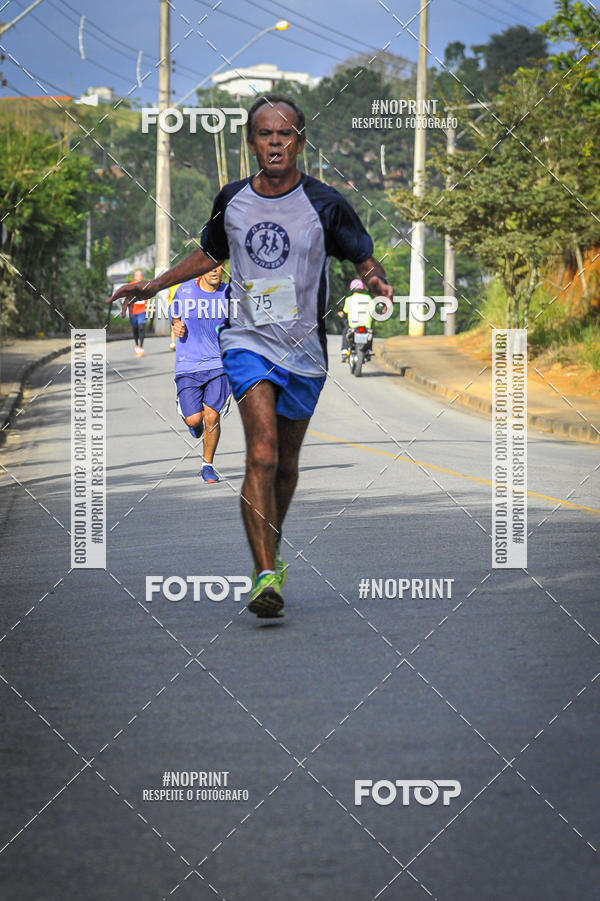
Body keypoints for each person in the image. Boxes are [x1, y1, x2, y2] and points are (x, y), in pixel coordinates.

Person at [107, 93, 393, 619]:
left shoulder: (326, 203)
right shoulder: (233, 198)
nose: (276, 141)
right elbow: (210, 252)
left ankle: (272, 548)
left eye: (285, 134)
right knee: (261, 454)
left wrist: (376, 281)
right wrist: (154, 283)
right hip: (246, 338)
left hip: (306, 349)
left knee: (285, 466)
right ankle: (264, 575)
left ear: (300, 142)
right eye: (265, 133)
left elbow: (362, 255)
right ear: (252, 143)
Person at [170, 266, 231, 483]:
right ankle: (192, 420)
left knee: (212, 416)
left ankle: (207, 465)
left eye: (219, 265)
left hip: (219, 365)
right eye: (211, 267)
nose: (216, 270)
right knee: (194, 419)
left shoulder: (229, 293)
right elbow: (174, 316)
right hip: (189, 365)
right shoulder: (184, 291)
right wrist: (176, 325)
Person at [337, 278, 374, 362]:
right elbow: (373, 310)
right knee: (371, 334)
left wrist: (341, 314)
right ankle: (368, 350)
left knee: (345, 332)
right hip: (366, 325)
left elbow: (345, 311)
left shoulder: (349, 299)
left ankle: (345, 350)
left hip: (353, 325)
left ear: (352, 289)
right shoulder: (368, 298)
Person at [128, 268, 148, 356]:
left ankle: (141, 346)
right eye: (137, 276)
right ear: (135, 277)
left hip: (142, 310)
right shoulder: (130, 285)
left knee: (141, 327)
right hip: (133, 311)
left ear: (141, 276)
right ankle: (136, 345)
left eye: (140, 276)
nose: (138, 277)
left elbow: (148, 296)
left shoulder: (145, 285)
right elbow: (127, 299)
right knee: (135, 328)